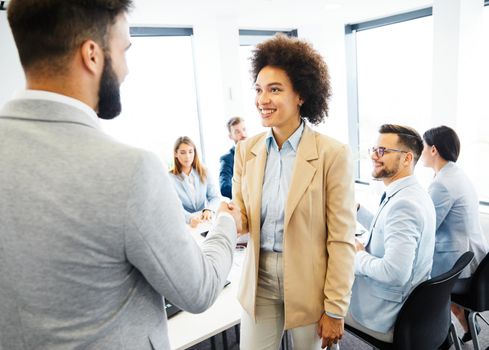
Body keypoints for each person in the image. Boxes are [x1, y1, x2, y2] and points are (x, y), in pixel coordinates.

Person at [0, 1, 241, 349]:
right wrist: (225, 223)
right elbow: (199, 290)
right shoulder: (128, 171)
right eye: (124, 50)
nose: (127, 69)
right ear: (92, 55)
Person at [233, 34, 356, 350]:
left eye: (275, 90)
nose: (263, 100)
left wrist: (335, 308)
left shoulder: (332, 154)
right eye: (259, 90)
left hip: (308, 282)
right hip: (258, 280)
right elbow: (241, 218)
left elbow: (341, 239)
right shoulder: (246, 150)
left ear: (301, 95)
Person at [348, 124, 436, 342]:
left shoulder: (403, 204)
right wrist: (358, 210)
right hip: (414, 307)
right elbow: (386, 227)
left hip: (385, 314)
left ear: (407, 159)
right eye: (374, 149)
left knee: (319, 306)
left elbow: (395, 273)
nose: (374, 157)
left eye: (383, 151)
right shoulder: (412, 193)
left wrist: (357, 256)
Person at [421, 125, 488, 343]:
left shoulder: (443, 183)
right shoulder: (455, 174)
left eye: (423, 146)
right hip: (475, 258)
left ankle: (437, 337)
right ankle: (465, 324)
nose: (421, 151)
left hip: (460, 264)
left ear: (433, 150)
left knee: (416, 283)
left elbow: (426, 227)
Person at [169, 136, 221, 228]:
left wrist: (208, 209)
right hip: (183, 224)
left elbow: (214, 197)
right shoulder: (170, 178)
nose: (188, 156)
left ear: (194, 152)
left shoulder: (204, 171)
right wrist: (189, 218)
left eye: (190, 151)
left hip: (204, 222)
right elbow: (174, 206)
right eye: (183, 152)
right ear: (176, 154)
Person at [219, 116, 247, 199]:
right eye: (237, 132)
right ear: (230, 136)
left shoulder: (259, 152)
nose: (243, 134)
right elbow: (224, 187)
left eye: (244, 129)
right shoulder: (227, 159)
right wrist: (246, 195)